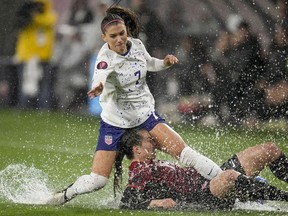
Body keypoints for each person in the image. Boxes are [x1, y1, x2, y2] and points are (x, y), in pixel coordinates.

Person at [46, 6, 222, 205]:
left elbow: (150, 64)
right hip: (114, 124)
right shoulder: (105, 59)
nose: (119, 39)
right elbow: (100, 76)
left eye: (122, 33)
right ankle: (63, 196)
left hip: (145, 117)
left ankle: (229, 180)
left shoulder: (137, 45)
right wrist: (98, 87)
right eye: (113, 36)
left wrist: (164, 63)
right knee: (97, 181)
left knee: (185, 154)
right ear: (104, 37)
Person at [118, 128, 288, 210]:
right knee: (229, 176)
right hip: (205, 195)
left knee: (269, 150)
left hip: (212, 179)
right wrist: (156, 202)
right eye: (149, 140)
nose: (154, 142)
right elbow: (126, 202)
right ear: (137, 149)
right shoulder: (139, 171)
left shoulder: (153, 163)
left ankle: (247, 190)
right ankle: (284, 197)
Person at [15, 0, 57, 109]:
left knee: (43, 85)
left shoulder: (49, 16)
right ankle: (24, 108)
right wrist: (28, 13)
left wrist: (34, 15)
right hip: (27, 56)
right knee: (25, 83)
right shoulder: (26, 16)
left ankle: (43, 109)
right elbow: (20, 23)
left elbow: (49, 20)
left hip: (43, 57)